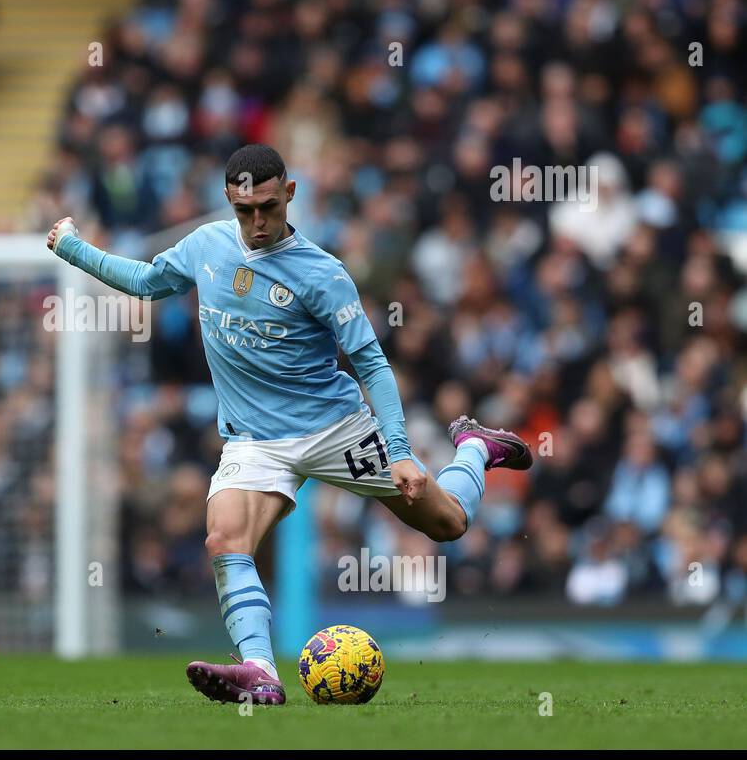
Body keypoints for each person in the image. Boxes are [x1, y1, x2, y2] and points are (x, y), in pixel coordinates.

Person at [47, 143, 534, 706]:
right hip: (254, 440)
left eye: (269, 208)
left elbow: (372, 363)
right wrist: (75, 248)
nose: (257, 222)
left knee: (447, 524)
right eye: (244, 210)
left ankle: (474, 448)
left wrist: (399, 450)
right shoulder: (206, 246)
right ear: (228, 201)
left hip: (335, 430)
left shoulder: (323, 274)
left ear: (291, 194)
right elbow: (147, 281)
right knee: (225, 537)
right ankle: (259, 670)